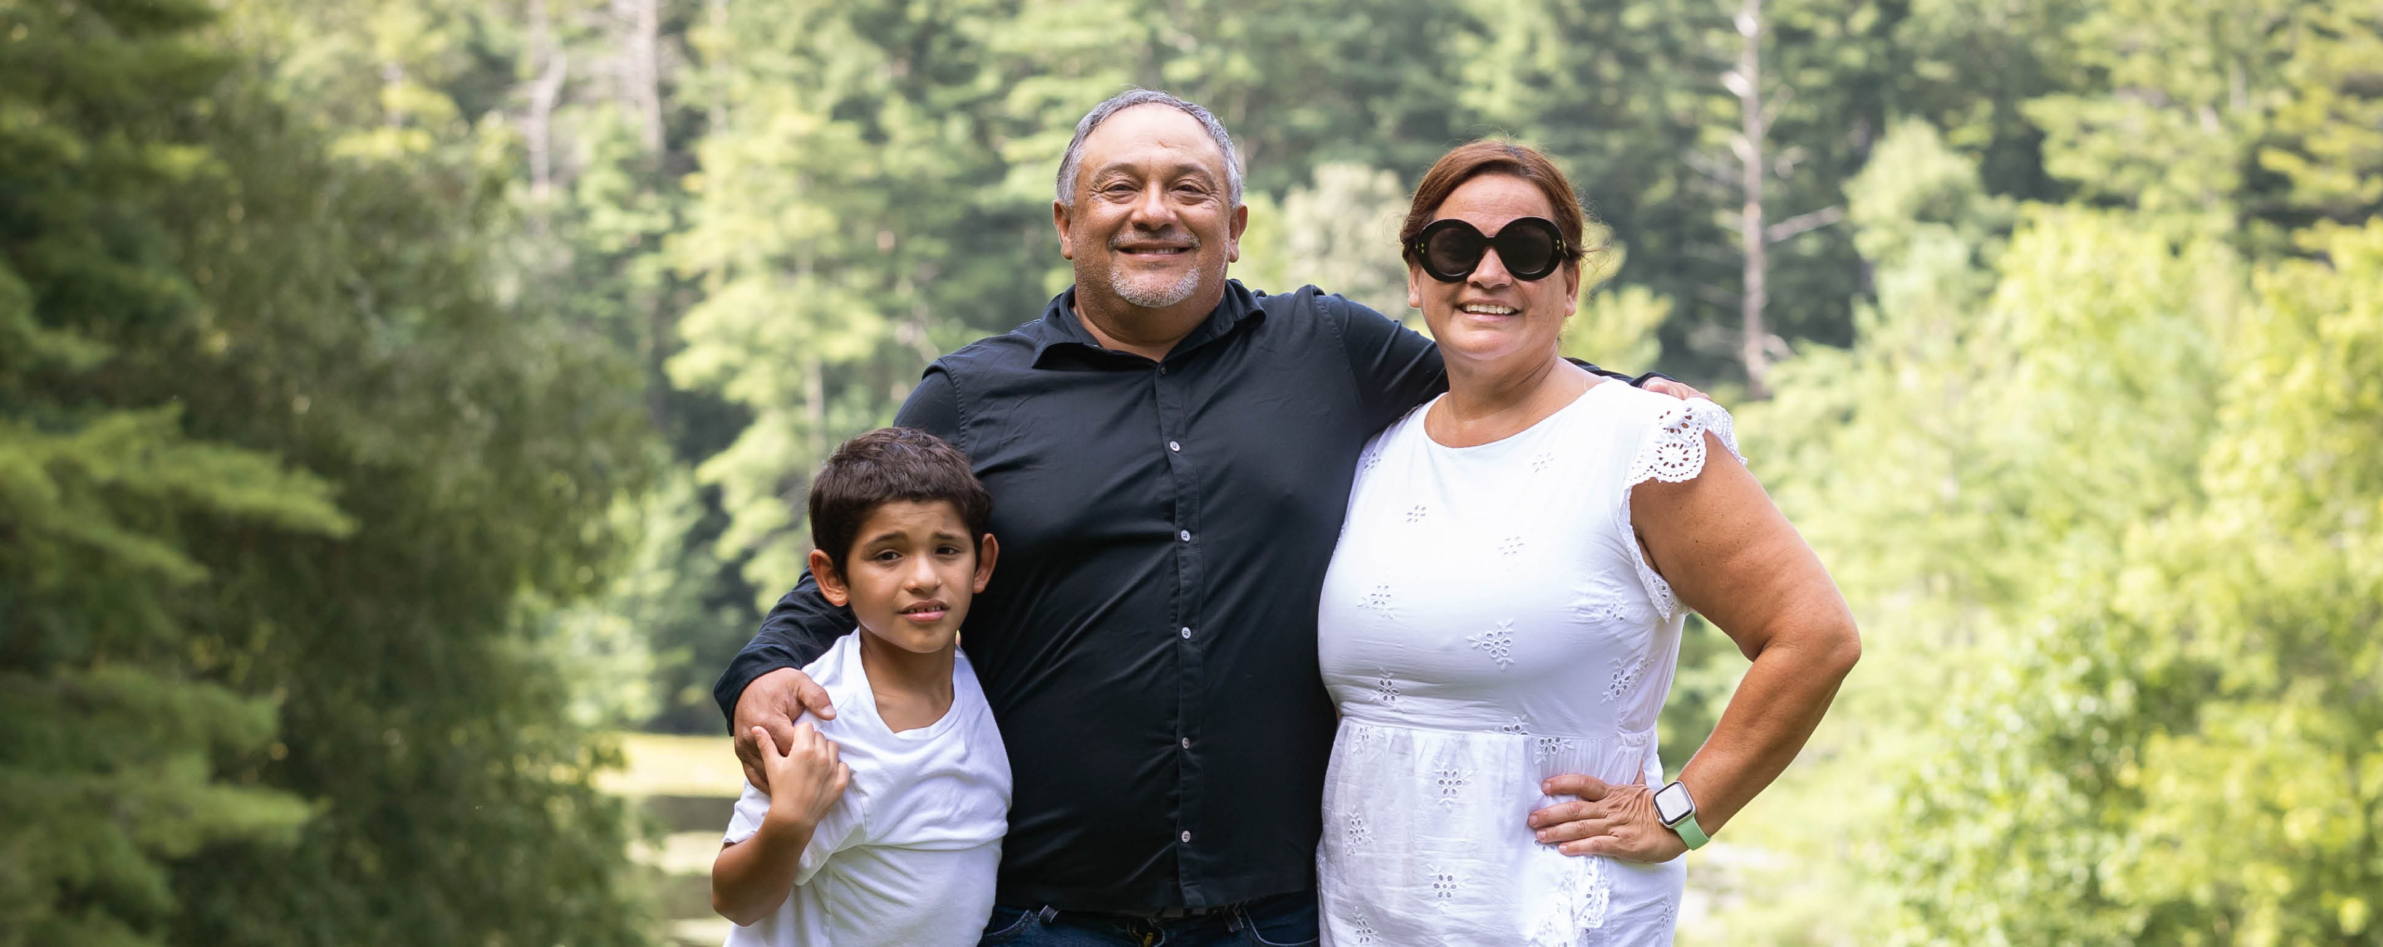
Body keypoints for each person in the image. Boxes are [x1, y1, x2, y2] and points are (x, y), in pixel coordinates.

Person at [713, 89, 1698, 947]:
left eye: (1188, 189)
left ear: (1235, 224)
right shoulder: (972, 395)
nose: (1154, 212)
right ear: (1065, 221)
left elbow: (1498, 368)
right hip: (1044, 914)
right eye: (1120, 187)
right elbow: (854, 566)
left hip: (1272, 913)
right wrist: (758, 674)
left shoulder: (1328, 348)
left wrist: (1630, 398)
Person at [1311, 141, 1860, 945]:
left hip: (1555, 915)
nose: (1488, 274)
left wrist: (1683, 812)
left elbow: (1816, 635)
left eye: (1527, 251)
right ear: (1416, 275)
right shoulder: (1376, 453)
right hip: (1366, 919)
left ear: (1569, 284)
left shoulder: (1643, 443)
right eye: (1456, 248)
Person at [709, 427, 1011, 946]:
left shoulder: (982, 683)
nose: (923, 577)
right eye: (888, 555)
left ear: (981, 563)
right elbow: (733, 898)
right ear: (832, 577)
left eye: (945, 550)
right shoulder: (823, 720)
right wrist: (789, 821)